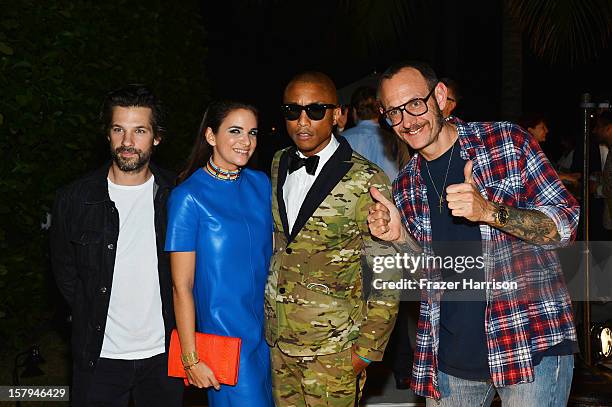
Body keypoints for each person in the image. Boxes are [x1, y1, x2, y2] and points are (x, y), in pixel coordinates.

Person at [369, 61, 579, 406]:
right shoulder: (405, 184)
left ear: (439, 96)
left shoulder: (506, 142)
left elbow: (565, 223)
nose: (408, 120)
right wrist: (398, 238)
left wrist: (489, 212)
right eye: (394, 112)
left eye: (415, 104)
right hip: (451, 359)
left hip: (529, 345)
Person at [265, 71, 401, 406]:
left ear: (337, 115)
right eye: (292, 111)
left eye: (315, 110)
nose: (302, 121)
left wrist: (366, 352)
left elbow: (387, 270)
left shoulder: (367, 178)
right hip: (280, 345)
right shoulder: (279, 162)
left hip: (335, 350)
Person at [50, 84, 183, 406]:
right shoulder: (74, 199)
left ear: (156, 137)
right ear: (107, 135)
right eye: (118, 130)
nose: (127, 142)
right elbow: (65, 275)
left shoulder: (178, 195)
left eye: (139, 131)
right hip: (99, 357)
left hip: (164, 355)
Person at [165, 101, 273, 407]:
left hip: (271, 339)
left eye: (252, 132)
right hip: (225, 346)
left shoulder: (261, 184)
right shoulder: (187, 197)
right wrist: (191, 359)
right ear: (211, 136)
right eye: (235, 131)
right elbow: (181, 286)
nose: (246, 141)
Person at [342, 85, 401, 180]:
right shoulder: (395, 139)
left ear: (354, 111)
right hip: (389, 193)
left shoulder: (342, 139)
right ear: (379, 111)